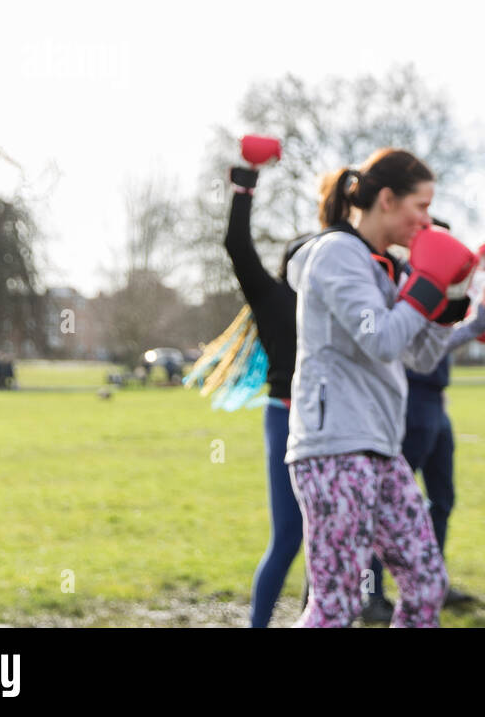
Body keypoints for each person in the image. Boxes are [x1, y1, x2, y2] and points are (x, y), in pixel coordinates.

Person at [286, 147, 485, 628]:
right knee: (336, 604)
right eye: (421, 207)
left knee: (427, 583)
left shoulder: (389, 265)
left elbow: (420, 354)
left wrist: (456, 303)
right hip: (334, 447)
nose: (428, 222)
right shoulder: (336, 254)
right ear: (387, 199)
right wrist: (427, 284)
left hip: (382, 448)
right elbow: (380, 337)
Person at [363, 219, 485, 622]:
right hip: (410, 405)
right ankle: (371, 595)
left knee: (441, 499)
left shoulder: (444, 284)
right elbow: (420, 344)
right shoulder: (406, 284)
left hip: (437, 408)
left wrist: (477, 313)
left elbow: (442, 339)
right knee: (386, 506)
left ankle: (433, 583)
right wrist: (478, 322)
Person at [222, 155, 312, 628]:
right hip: (284, 416)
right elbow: (237, 245)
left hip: (331, 422)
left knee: (329, 537)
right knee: (289, 537)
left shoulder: (337, 301)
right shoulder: (273, 298)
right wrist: (244, 189)